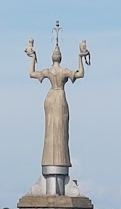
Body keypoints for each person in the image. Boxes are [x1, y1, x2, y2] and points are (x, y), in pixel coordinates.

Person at [26, 26, 89, 195]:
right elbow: (81, 73)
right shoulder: (63, 71)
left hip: (53, 99)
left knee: (58, 134)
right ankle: (53, 166)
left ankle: (57, 165)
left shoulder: (51, 71)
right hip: (58, 99)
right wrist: (80, 57)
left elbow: (32, 73)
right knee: (54, 133)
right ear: (60, 57)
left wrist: (32, 57)